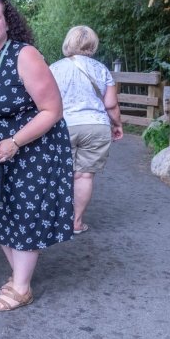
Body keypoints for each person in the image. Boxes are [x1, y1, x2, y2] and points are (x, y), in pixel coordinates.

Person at [0, 0, 74, 312]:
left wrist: (16, 142)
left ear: (8, 21)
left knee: (25, 213)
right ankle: (18, 275)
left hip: (32, 145)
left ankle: (21, 287)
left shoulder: (25, 55)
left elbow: (52, 110)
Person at [49, 25, 123, 234]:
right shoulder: (101, 69)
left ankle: (56, 219)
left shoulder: (54, 68)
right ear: (93, 44)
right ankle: (76, 222)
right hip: (96, 126)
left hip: (63, 126)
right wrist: (117, 125)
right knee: (84, 176)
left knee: (63, 173)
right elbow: (110, 104)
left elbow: (46, 101)